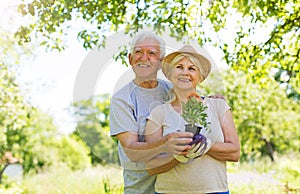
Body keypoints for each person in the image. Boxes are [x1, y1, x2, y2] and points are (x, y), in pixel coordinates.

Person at [145, 45, 240, 194]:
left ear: (200, 77)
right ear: (170, 73)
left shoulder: (218, 106)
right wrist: (177, 156)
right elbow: (150, 166)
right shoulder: (158, 113)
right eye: (179, 67)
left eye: (192, 68)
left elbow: (235, 153)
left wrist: (206, 145)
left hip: (214, 190)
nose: (185, 72)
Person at [109, 31, 195, 194]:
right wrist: (166, 143)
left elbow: (196, 105)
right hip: (141, 189)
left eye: (152, 53)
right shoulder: (122, 99)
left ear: (161, 62)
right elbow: (132, 151)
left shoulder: (171, 90)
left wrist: (212, 100)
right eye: (138, 52)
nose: (143, 57)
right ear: (130, 59)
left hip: (175, 187)